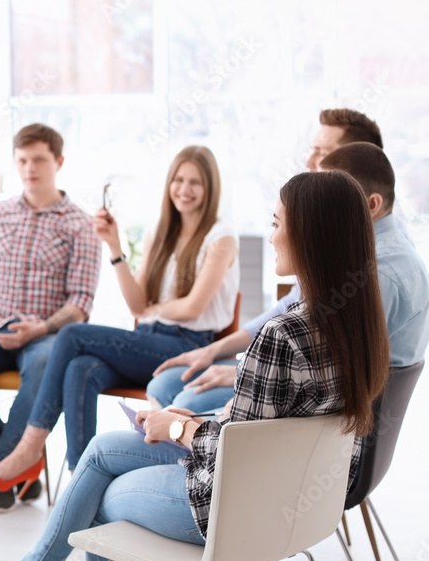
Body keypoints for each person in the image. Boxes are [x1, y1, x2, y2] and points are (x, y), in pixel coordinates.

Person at [0, 170, 390, 561]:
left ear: (310, 236)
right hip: (293, 500)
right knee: (102, 451)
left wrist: (178, 426)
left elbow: (233, 452)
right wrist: (194, 420)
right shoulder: (360, 326)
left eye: (277, 223)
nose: (273, 236)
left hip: (230, 506)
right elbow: (270, 426)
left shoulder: (282, 333)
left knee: (100, 499)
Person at [0, 145, 238, 489]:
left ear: (210, 188)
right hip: (151, 341)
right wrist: (114, 247)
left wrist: (150, 310)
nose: (184, 189)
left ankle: (29, 448)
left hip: (188, 346)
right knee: (79, 368)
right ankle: (80, 479)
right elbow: (136, 304)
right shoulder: (160, 232)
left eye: (195, 182)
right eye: (178, 180)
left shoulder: (221, 238)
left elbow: (192, 307)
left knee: (72, 336)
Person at [149, 128, 426, 418]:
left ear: (369, 204)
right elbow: (293, 311)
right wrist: (215, 351)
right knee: (171, 386)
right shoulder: (364, 252)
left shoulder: (379, 275)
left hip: (332, 420)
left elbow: (331, 375)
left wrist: (246, 375)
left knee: (182, 400)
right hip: (304, 393)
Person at [0, 123, 100, 512]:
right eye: (22, 160)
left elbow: (80, 302)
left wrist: (42, 328)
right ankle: (20, 459)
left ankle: (4, 468)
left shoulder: (80, 224)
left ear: (58, 162)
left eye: (38, 160)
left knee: (47, 368)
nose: (29, 168)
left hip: (48, 333)